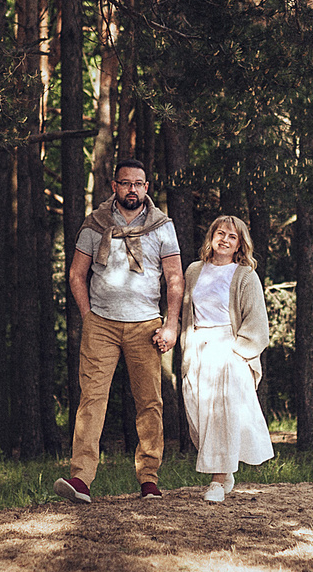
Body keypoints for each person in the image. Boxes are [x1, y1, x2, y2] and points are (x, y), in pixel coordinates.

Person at [57, 160, 184, 502]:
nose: (132, 189)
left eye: (138, 183)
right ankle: (81, 480)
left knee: (149, 402)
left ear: (147, 187)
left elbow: (175, 279)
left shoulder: (162, 227)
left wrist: (171, 324)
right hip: (102, 324)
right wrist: (88, 315)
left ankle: (149, 480)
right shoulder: (95, 224)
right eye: (125, 183)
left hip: (146, 324)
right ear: (114, 186)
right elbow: (76, 274)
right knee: (92, 400)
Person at [178, 215, 274, 502]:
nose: (224, 240)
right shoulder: (194, 270)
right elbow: (186, 313)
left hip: (229, 349)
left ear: (239, 244)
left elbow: (257, 321)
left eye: (232, 237)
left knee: (221, 416)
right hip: (198, 347)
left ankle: (217, 481)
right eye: (220, 233)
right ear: (211, 237)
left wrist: (239, 354)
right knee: (198, 415)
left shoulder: (244, 275)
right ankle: (226, 468)